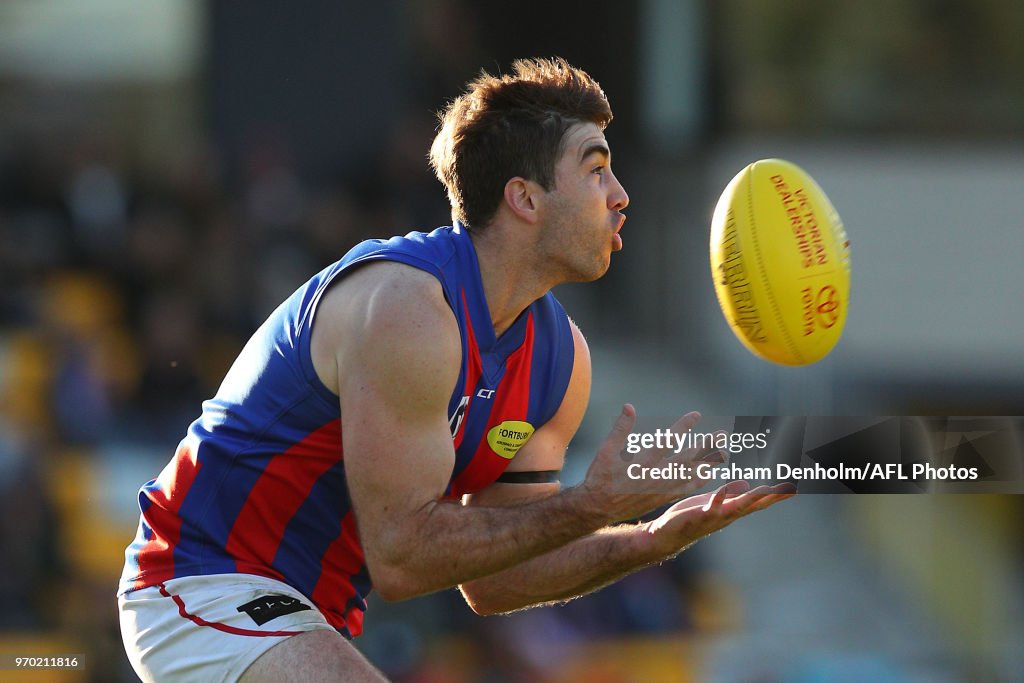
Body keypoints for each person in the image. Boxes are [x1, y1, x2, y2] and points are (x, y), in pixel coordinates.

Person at [118, 57, 794, 682]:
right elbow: (403, 557)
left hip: (307, 616)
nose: (620, 195)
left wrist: (647, 538)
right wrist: (591, 504)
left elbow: (497, 578)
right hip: (200, 580)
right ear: (525, 199)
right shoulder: (408, 309)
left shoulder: (560, 359)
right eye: (595, 169)